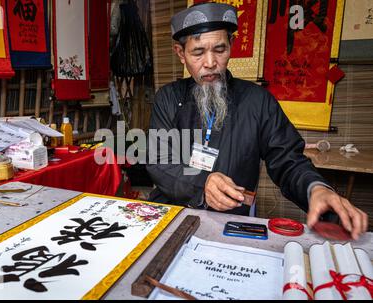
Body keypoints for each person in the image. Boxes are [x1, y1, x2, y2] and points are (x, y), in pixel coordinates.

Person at [145, 2, 368, 240]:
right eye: (198, 52)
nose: (210, 63)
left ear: (231, 46)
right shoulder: (168, 98)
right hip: (175, 214)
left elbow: (288, 159)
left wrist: (316, 189)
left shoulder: (257, 100)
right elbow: (159, 160)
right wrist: (202, 185)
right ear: (181, 53)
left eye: (219, 50)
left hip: (232, 221)